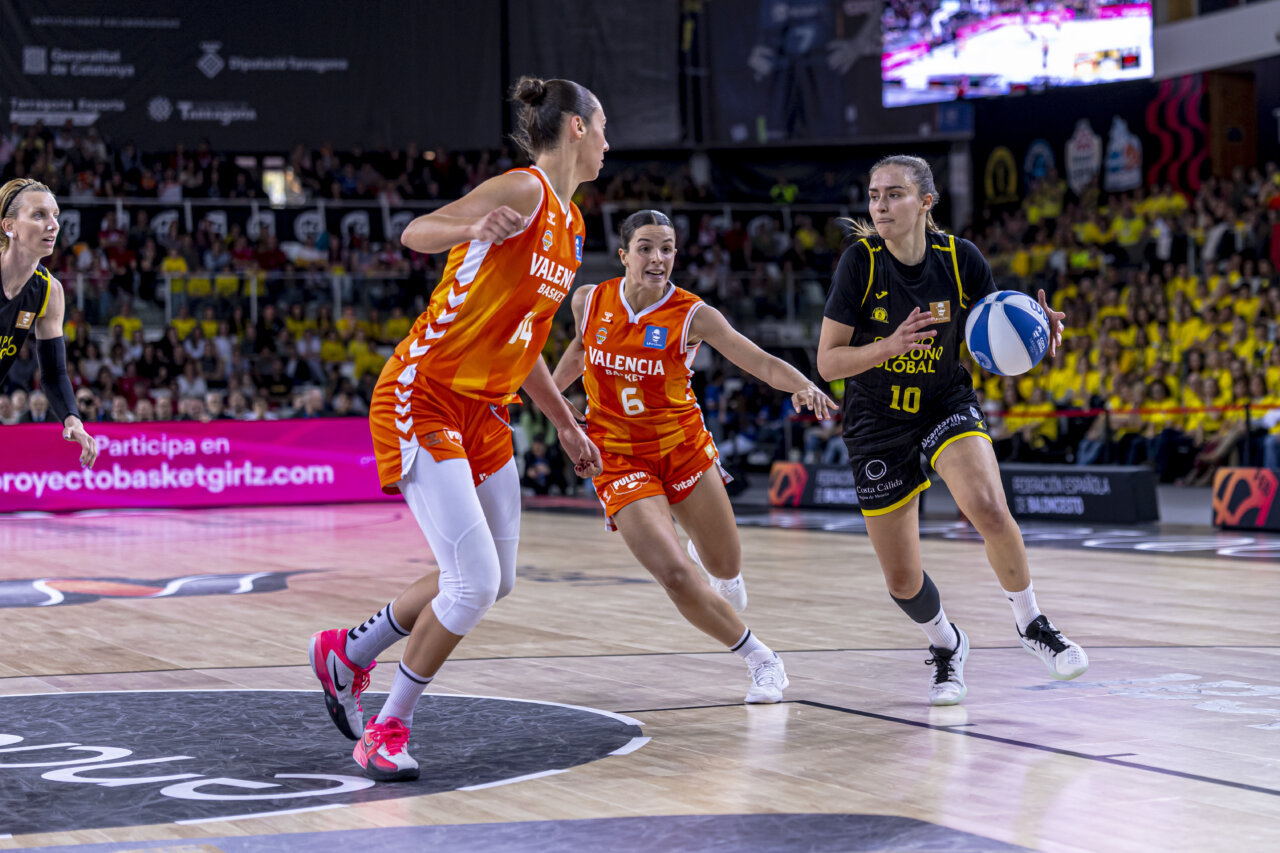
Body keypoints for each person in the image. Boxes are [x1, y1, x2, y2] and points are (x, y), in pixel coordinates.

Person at [308, 76, 607, 782]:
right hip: (426, 393)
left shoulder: (572, 226)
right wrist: (471, 229)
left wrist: (565, 422)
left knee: (492, 580)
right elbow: (415, 232)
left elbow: (525, 343)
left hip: (486, 411)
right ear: (576, 127)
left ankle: (348, 652)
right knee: (471, 582)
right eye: (603, 127)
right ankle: (387, 727)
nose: (607, 143)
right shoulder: (525, 189)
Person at [816, 154, 1087, 707]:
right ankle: (947, 643)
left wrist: (1036, 326)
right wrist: (890, 346)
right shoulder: (860, 263)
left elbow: (994, 326)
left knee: (988, 507)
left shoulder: (960, 259)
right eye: (874, 195)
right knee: (902, 580)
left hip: (944, 401)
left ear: (926, 202)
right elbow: (827, 362)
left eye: (894, 194)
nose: (880, 205)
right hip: (876, 420)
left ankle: (1031, 622)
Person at [551, 210, 837, 703]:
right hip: (619, 458)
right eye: (645, 248)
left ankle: (718, 569)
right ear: (623, 256)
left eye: (666, 248)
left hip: (682, 450)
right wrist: (555, 405)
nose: (657, 258)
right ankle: (763, 660)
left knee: (725, 566)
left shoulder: (693, 314)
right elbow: (580, 349)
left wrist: (802, 384)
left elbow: (757, 359)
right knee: (676, 575)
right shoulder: (589, 300)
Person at [0, 178, 97, 467]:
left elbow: (53, 373)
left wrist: (72, 419)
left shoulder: (49, 291)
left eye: (55, 215)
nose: (53, 225)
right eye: (39, 215)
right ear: (9, 226)